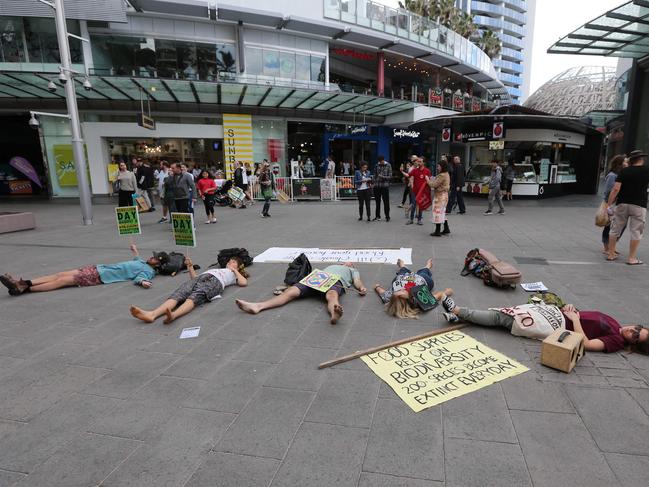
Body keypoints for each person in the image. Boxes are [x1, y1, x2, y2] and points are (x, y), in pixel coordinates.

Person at [441, 297, 649, 355]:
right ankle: (459, 318)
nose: (633, 331)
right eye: (638, 329)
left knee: (502, 319)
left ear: (632, 344)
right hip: (554, 314)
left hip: (553, 325)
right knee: (505, 311)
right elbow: (587, 318)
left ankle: (459, 310)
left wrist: (574, 320)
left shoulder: (615, 341)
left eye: (636, 337)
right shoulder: (616, 324)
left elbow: (585, 343)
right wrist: (571, 309)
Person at [0, 244, 168, 296]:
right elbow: (136, 258)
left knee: (62, 281)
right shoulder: (142, 262)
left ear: (157, 264)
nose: (151, 257)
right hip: (98, 268)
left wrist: (144, 282)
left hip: (101, 276)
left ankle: (24, 289)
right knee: (60, 274)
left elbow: (140, 278)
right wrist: (135, 249)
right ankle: (22, 283)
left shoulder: (148, 272)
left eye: (154, 258)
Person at [236, 262, 367, 325]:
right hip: (319, 277)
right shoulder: (333, 265)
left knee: (332, 295)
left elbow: (357, 281)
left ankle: (335, 313)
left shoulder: (351, 270)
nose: (349, 262)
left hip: (335, 281)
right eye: (347, 261)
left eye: (351, 263)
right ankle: (258, 306)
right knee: (291, 291)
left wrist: (361, 288)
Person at [130, 256, 248, 324]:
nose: (230, 262)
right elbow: (195, 278)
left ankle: (174, 315)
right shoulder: (217, 268)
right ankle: (152, 314)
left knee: (195, 297)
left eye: (233, 262)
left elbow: (244, 283)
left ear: (238, 266)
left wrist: (234, 270)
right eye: (230, 261)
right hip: (202, 277)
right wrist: (190, 266)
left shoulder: (234, 275)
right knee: (180, 293)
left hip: (216, 282)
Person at [607, 150, 649, 265]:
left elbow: (615, 189)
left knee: (615, 229)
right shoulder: (646, 170)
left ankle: (611, 255)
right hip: (639, 205)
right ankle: (631, 258)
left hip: (622, 204)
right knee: (636, 231)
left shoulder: (624, 171)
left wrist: (609, 204)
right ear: (641, 159)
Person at [374, 258, 452, 319]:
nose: (401, 289)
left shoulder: (391, 297)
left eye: (398, 291)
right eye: (402, 291)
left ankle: (402, 266)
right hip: (421, 279)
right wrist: (445, 292)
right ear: (408, 300)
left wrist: (377, 287)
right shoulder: (419, 301)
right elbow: (436, 296)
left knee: (401, 274)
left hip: (403, 278)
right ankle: (428, 266)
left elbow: (382, 292)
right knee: (424, 272)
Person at [602, 155, 627, 254]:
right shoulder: (612, 175)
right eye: (625, 161)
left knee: (620, 226)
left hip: (620, 204)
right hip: (611, 204)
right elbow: (608, 191)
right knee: (609, 225)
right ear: (619, 163)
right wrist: (608, 206)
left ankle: (612, 246)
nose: (627, 163)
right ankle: (606, 247)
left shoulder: (622, 174)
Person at [428, 159, 451, 236]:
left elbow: (433, 185)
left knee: (437, 212)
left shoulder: (442, 175)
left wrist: (428, 180)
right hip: (444, 196)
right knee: (442, 212)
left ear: (442, 167)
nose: (437, 168)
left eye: (438, 166)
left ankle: (437, 231)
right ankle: (446, 229)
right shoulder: (446, 174)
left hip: (440, 196)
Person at [407, 156, 431, 225]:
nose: (418, 163)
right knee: (413, 205)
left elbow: (429, 181)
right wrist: (402, 171)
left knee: (420, 205)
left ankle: (419, 220)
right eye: (418, 161)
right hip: (415, 191)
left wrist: (428, 190)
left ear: (424, 163)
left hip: (422, 192)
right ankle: (411, 219)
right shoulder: (415, 170)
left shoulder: (427, 171)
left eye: (420, 162)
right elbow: (408, 175)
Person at [373, 155, 392, 222]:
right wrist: (373, 183)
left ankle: (387, 216)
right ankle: (377, 216)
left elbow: (390, 176)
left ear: (384, 160)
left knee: (386, 202)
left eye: (382, 161)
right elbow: (374, 175)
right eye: (380, 162)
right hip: (377, 186)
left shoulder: (388, 165)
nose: (381, 163)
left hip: (385, 186)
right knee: (377, 202)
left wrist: (383, 177)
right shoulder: (376, 165)